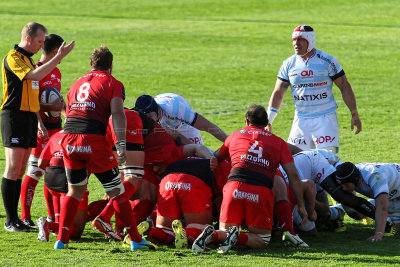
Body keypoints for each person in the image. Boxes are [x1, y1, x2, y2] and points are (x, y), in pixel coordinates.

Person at [55, 45, 155, 251]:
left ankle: (61, 240)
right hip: (93, 141)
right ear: (111, 65)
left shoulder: (75, 84)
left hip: (68, 140)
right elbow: (117, 114)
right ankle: (136, 240)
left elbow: (68, 110)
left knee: (74, 191)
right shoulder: (113, 83)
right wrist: (121, 145)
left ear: (91, 64)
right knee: (118, 192)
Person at [192, 105, 308, 254]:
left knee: (224, 232)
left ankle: (214, 234)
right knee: (262, 240)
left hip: (234, 187)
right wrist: (300, 205)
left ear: (246, 122)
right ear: (267, 124)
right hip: (260, 190)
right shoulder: (278, 142)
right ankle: (239, 237)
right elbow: (293, 175)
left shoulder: (234, 136)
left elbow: (217, 156)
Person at [1, 22, 74, 232]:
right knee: (13, 168)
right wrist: (58, 57)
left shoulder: (29, 61)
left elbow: (33, 91)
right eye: (40, 41)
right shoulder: (14, 57)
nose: (41, 45)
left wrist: (40, 120)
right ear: (29, 39)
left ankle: (18, 220)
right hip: (13, 115)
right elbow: (34, 77)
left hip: (29, 118)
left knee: (22, 169)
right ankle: (10, 220)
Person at [267, 25, 362, 153]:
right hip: (300, 120)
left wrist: (354, 114)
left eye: (300, 40)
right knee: (297, 162)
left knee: (327, 162)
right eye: (294, 40)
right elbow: (278, 92)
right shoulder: (288, 64)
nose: (296, 44)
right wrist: (269, 119)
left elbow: (345, 86)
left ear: (310, 41)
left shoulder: (327, 61)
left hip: (325, 120)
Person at [20, 34, 66, 229]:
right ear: (55, 51)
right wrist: (40, 124)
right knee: (35, 172)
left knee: (53, 172)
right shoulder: (37, 71)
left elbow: (57, 101)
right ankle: (25, 217)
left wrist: (65, 111)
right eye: (61, 52)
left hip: (57, 128)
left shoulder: (57, 72)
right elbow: (32, 102)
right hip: (42, 129)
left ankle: (52, 216)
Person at [336, 162, 400, 242]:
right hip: (391, 194)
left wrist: (378, 234)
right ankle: (335, 213)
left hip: (395, 195)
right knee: (355, 213)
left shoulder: (375, 176)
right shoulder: (350, 173)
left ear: (355, 179)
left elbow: (382, 206)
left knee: (396, 228)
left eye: (345, 184)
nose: (343, 188)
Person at [134, 93, 228, 145]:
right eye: (144, 117)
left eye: (149, 117)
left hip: (184, 126)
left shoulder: (175, 109)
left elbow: (208, 126)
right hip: (166, 126)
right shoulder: (140, 117)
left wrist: (231, 144)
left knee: (197, 156)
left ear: (157, 111)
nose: (147, 121)